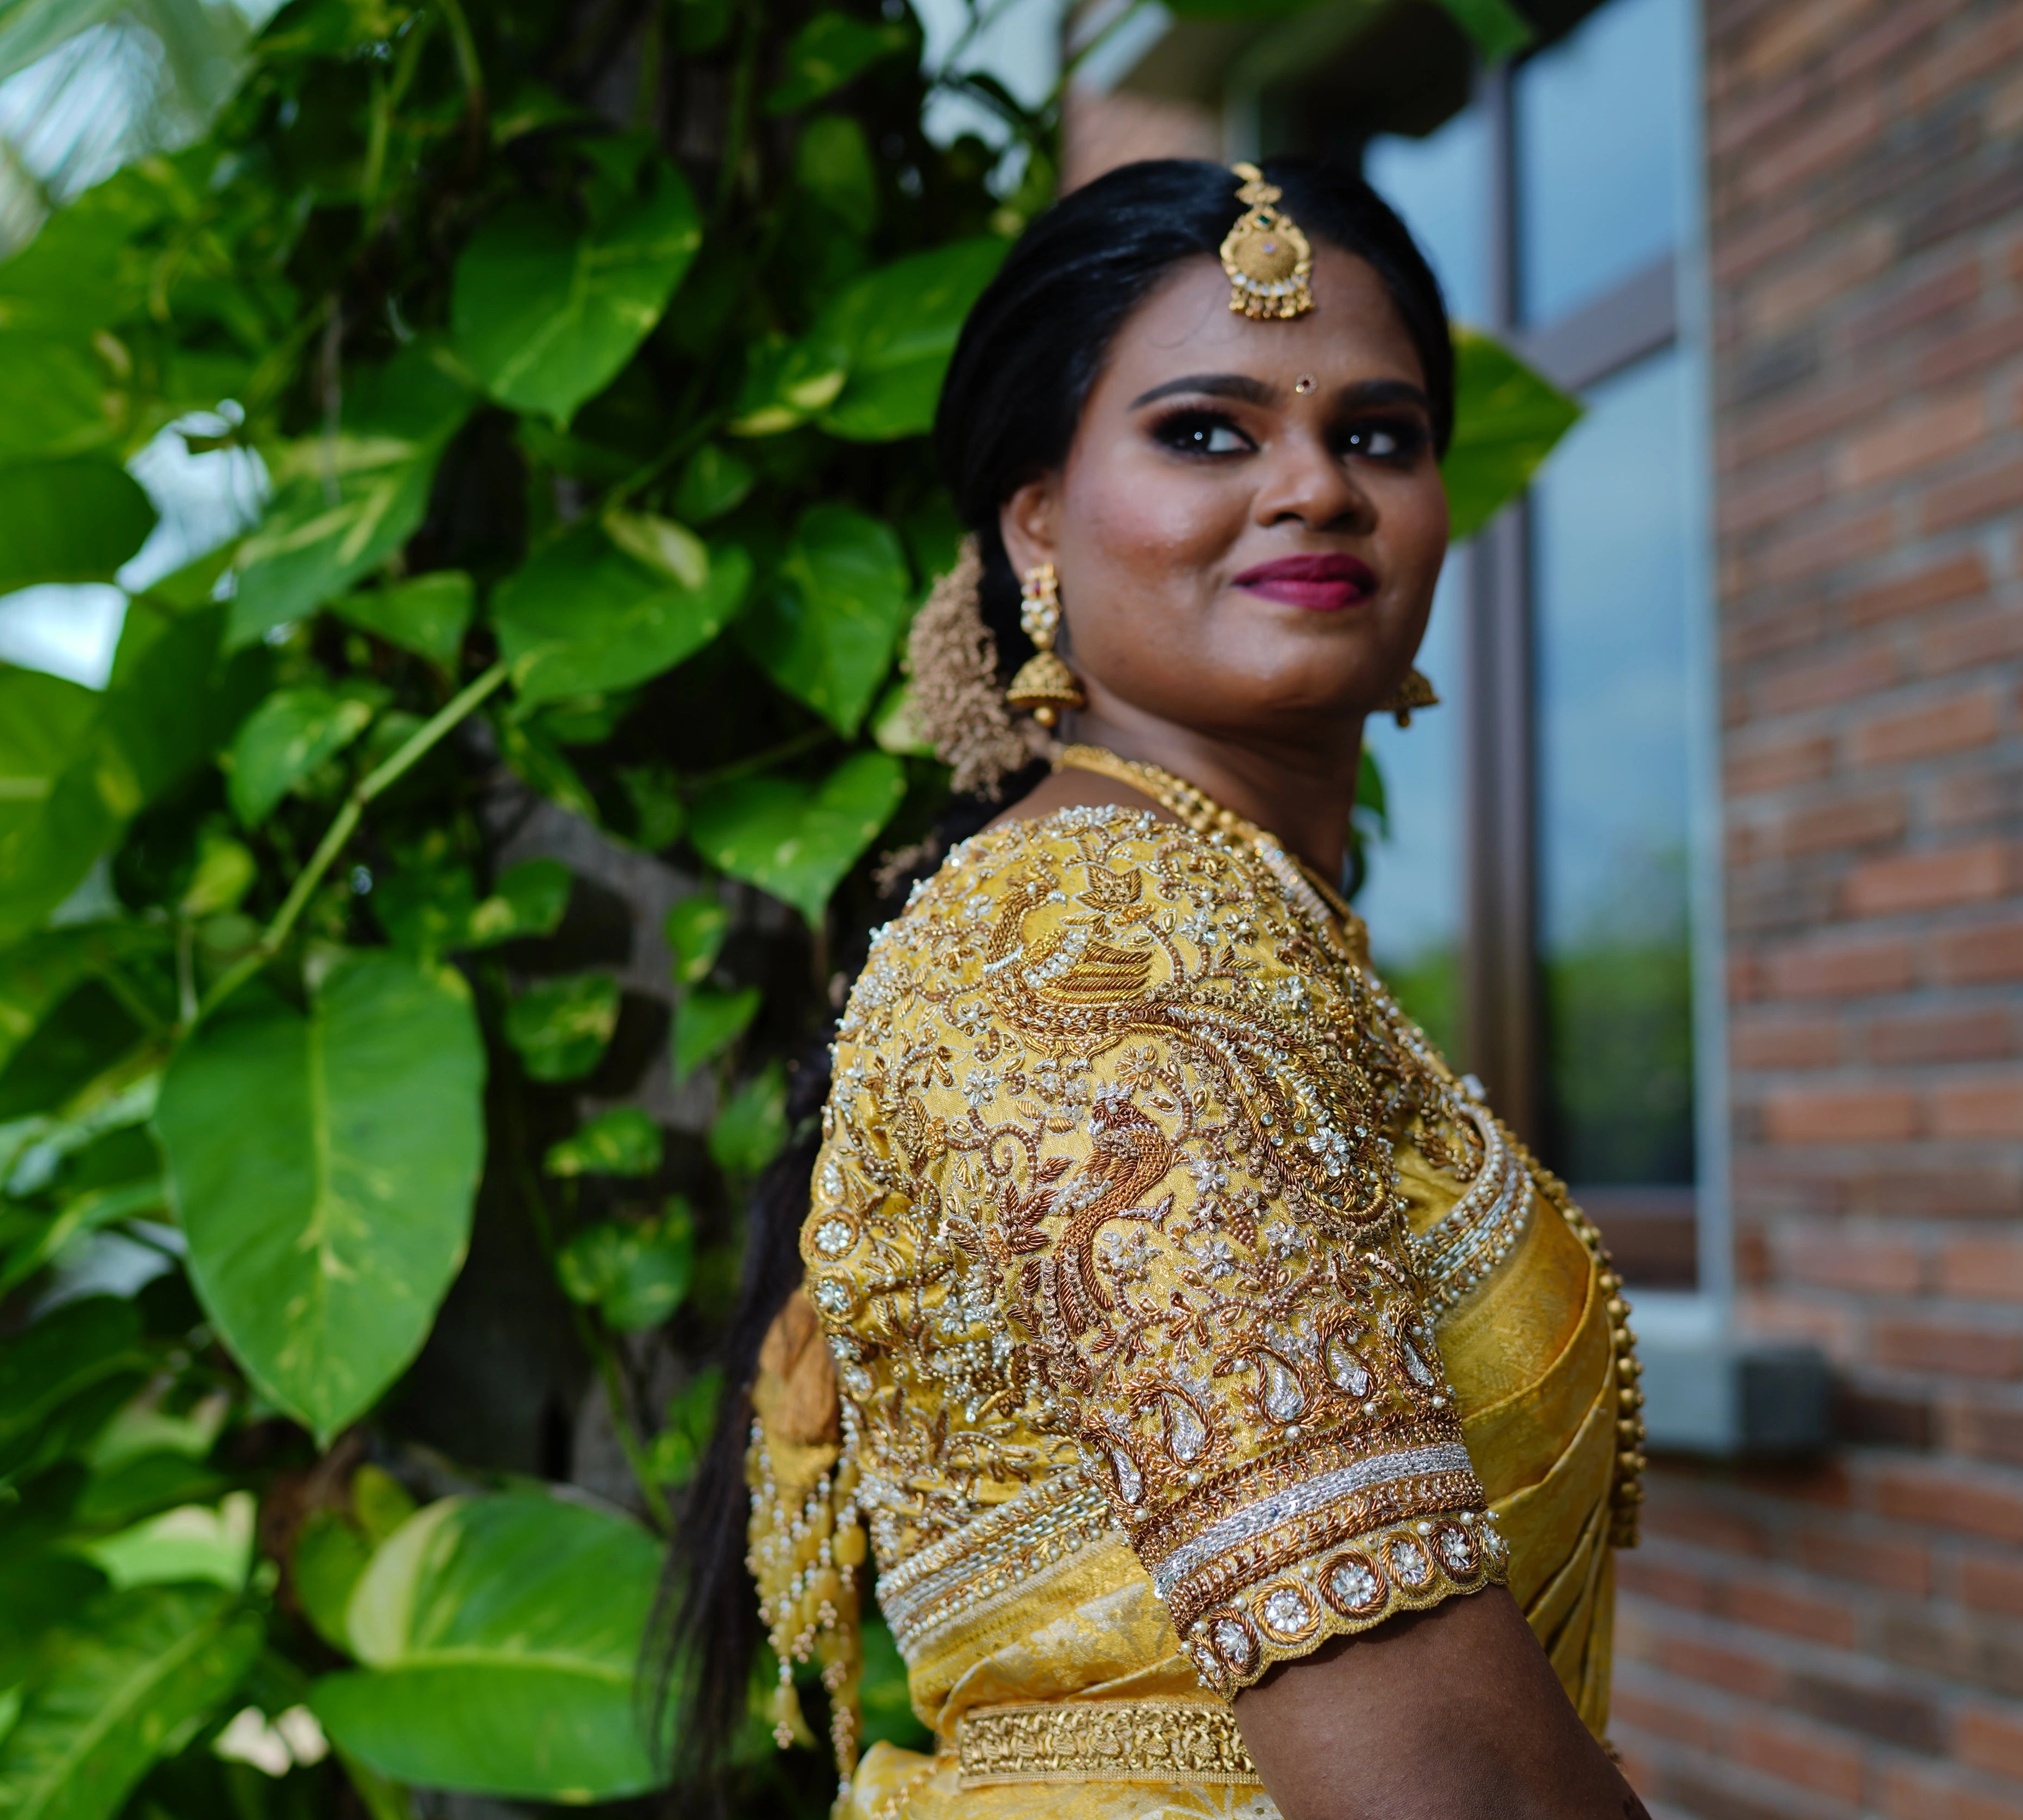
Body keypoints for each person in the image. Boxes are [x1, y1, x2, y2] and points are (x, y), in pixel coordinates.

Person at [664, 157, 1649, 1820]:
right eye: (1208, 429)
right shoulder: (1100, 940)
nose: (1316, 487)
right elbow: (1431, 1785)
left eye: (1380, 435)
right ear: (1035, 521)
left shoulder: (1226, 915)